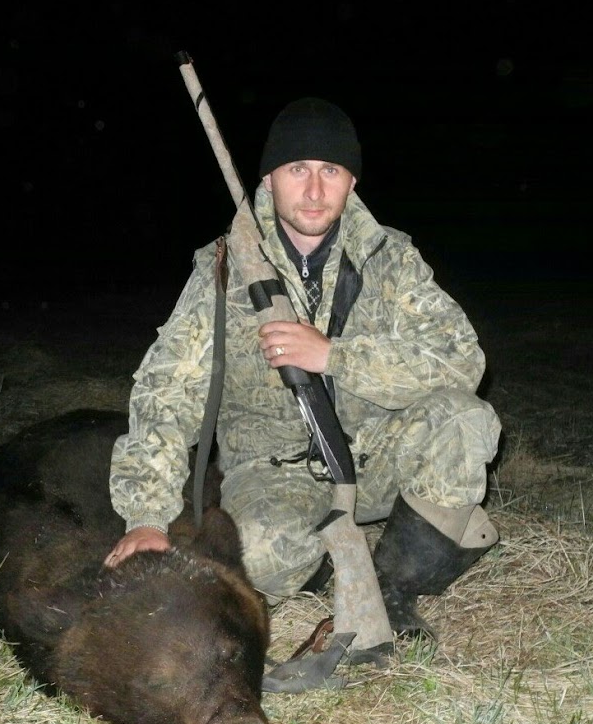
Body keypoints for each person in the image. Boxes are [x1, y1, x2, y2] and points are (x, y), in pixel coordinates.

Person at [104, 96, 502, 638]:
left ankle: (392, 592)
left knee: (465, 420)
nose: (314, 190)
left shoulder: (390, 258)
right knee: (264, 559)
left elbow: (462, 360)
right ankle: (335, 556)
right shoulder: (223, 268)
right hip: (274, 470)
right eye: (298, 170)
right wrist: (146, 518)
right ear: (268, 179)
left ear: (351, 183)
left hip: (372, 452)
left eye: (330, 171)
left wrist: (334, 357)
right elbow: (165, 392)